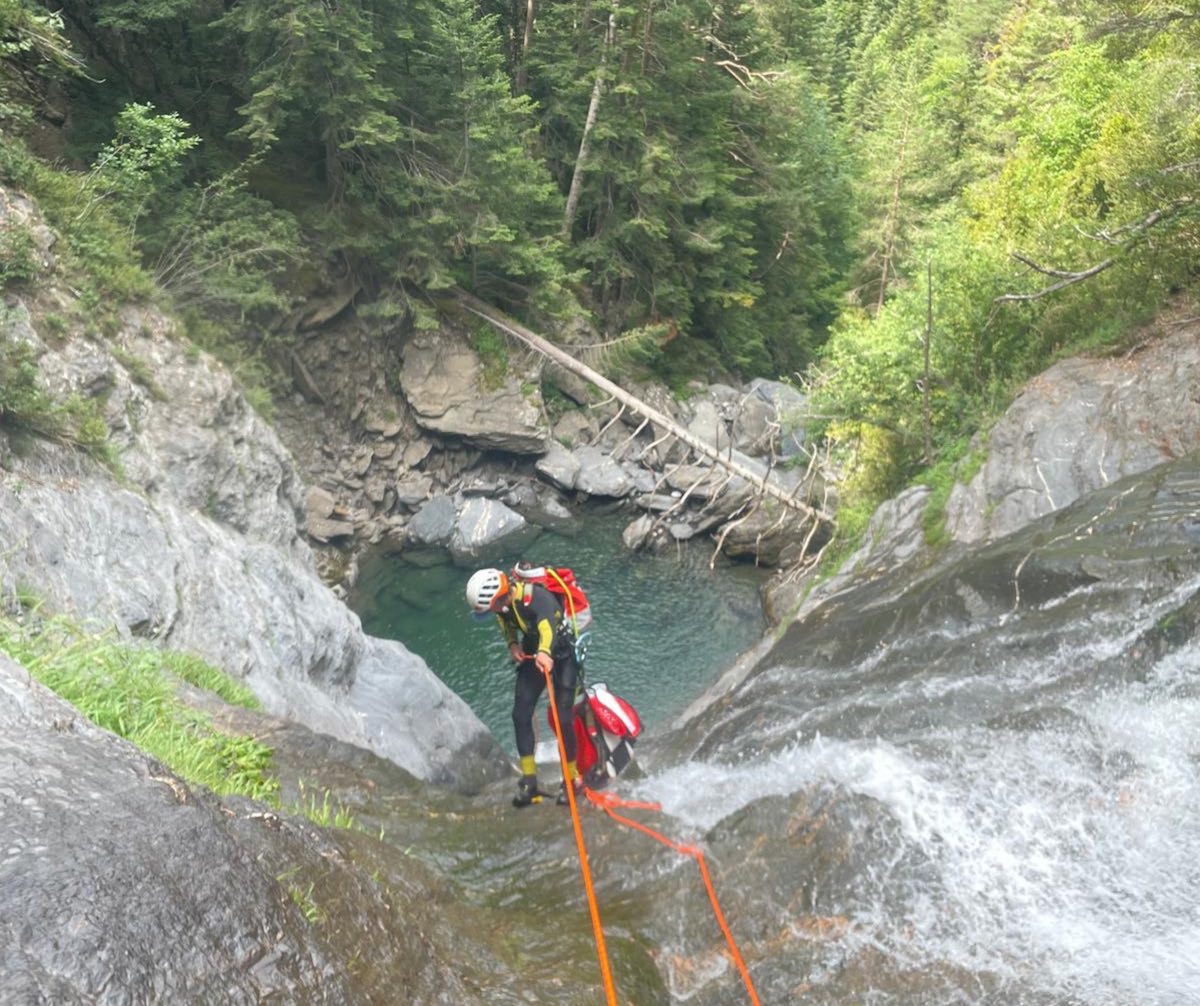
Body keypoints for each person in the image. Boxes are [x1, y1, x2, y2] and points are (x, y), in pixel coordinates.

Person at [466, 566, 583, 807]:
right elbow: (505, 621)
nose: (494, 612)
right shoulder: (504, 606)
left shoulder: (537, 599)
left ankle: (572, 779)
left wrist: (544, 652)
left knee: (562, 720)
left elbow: (547, 627)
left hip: (562, 656)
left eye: (492, 607)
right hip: (534, 654)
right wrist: (512, 645)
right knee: (520, 715)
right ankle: (529, 780)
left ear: (499, 597)